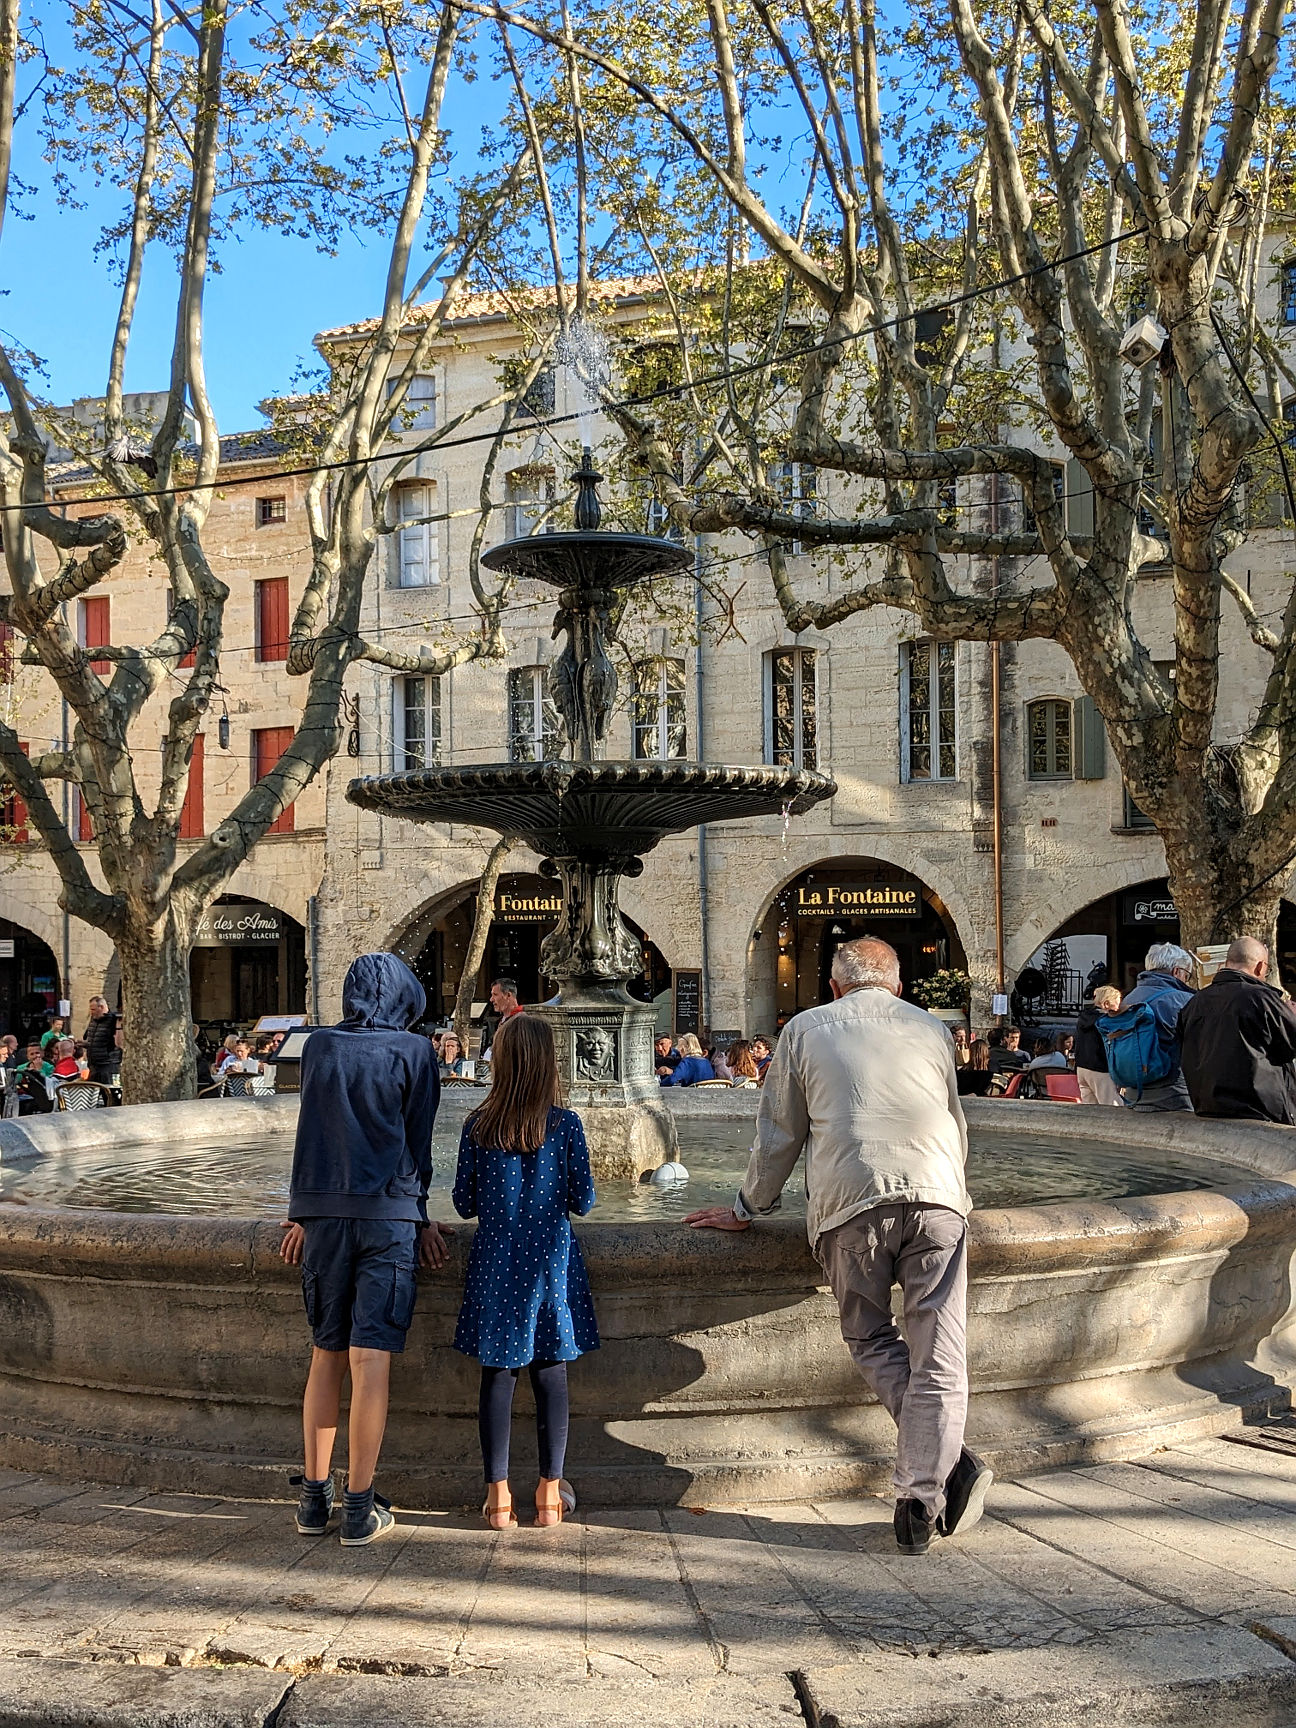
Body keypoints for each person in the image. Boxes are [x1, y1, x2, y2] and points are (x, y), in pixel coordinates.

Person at [686, 936, 990, 1558]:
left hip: (852, 1204)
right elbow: (955, 1123)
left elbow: (779, 1134)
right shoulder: (933, 1030)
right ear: (899, 986)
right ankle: (922, 1493)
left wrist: (748, 1208)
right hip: (938, 1199)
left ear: (833, 987)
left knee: (872, 1337)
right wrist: (953, 1195)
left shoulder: (804, 1030)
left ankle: (942, 1471)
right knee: (942, 1353)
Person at [279, 952, 449, 1546]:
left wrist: (304, 1210)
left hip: (324, 1215)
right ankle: (358, 1507)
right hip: (389, 1215)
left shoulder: (317, 1046)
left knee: (324, 1354)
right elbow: (418, 1142)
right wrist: (421, 1215)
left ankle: (312, 1499)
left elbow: (312, 1129)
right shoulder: (416, 1052)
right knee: (370, 1360)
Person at [452, 1014, 597, 1530]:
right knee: (551, 1372)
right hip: (550, 1261)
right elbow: (584, 1199)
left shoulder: (478, 1125)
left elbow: (463, 1203)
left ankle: (497, 1498)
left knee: (498, 1373)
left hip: (496, 1260)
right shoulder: (566, 1125)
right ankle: (550, 1495)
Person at [1178, 937, 1296, 1122]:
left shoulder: (1195, 1002)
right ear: (1259, 967)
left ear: (1226, 963)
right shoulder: (1261, 998)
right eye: (1267, 970)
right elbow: (1290, 1043)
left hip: (1207, 1106)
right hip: (1259, 1107)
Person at [1114, 942, 1196, 1111]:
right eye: (1187, 976)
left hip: (1133, 1094)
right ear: (1176, 971)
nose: (1187, 981)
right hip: (1174, 1095)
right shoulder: (1183, 1000)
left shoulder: (1129, 999)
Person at [1074, 986, 1121, 1105]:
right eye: (1116, 1004)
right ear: (1106, 1004)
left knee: (1090, 1108)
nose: (1118, 1008)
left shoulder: (1084, 1017)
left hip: (1082, 1067)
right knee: (1112, 1107)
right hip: (1100, 1067)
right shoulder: (1105, 1021)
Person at [82, 995, 119, 1086]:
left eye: (93, 1009)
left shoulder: (113, 1021)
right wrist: (85, 1044)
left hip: (107, 1066)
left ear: (101, 1007)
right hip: (93, 1065)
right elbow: (92, 1039)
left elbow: (115, 1042)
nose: (91, 1012)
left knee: (108, 1092)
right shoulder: (93, 1021)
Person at [15, 1042, 54, 1115]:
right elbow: (17, 1083)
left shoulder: (50, 1067)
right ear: (27, 1056)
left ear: (42, 1054)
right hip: (24, 1096)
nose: (35, 1056)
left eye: (37, 1053)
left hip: (44, 1098)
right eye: (32, 1054)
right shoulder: (20, 1068)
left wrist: (39, 1070)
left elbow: (48, 1085)